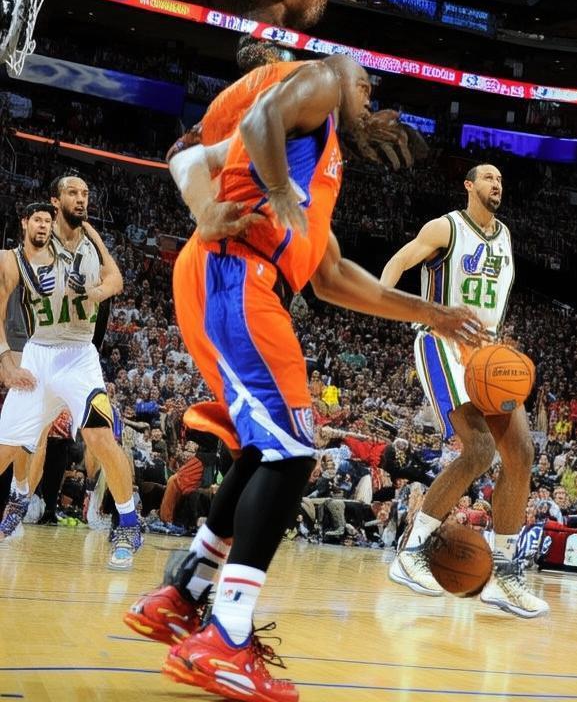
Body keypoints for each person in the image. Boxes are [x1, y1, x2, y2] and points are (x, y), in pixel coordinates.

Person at [122, 56, 485, 702]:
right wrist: (279, 191)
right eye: (366, 87)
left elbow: (334, 277)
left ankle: (183, 592)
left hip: (233, 280)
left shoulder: (321, 161)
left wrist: (433, 314)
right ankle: (226, 637)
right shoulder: (323, 80)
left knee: (266, 449)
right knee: (291, 452)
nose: (368, 98)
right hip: (239, 276)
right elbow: (260, 119)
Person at [379, 163, 547, 618]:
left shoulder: (505, 236)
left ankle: (504, 573)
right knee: (479, 449)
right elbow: (401, 260)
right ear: (469, 185)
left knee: (522, 452)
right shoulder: (446, 227)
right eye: (489, 178)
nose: (498, 184)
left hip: (486, 352)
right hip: (442, 340)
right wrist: (380, 297)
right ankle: (413, 551)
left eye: (502, 179)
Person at [0, 192, 135, 567]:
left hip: (80, 354)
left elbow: (115, 279)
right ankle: (20, 498)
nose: (81, 199)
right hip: (38, 350)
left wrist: (100, 289)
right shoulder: (20, 255)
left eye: (85, 195)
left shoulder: (88, 241)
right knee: (20, 441)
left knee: (99, 437)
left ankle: (127, 524)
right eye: (72, 194)